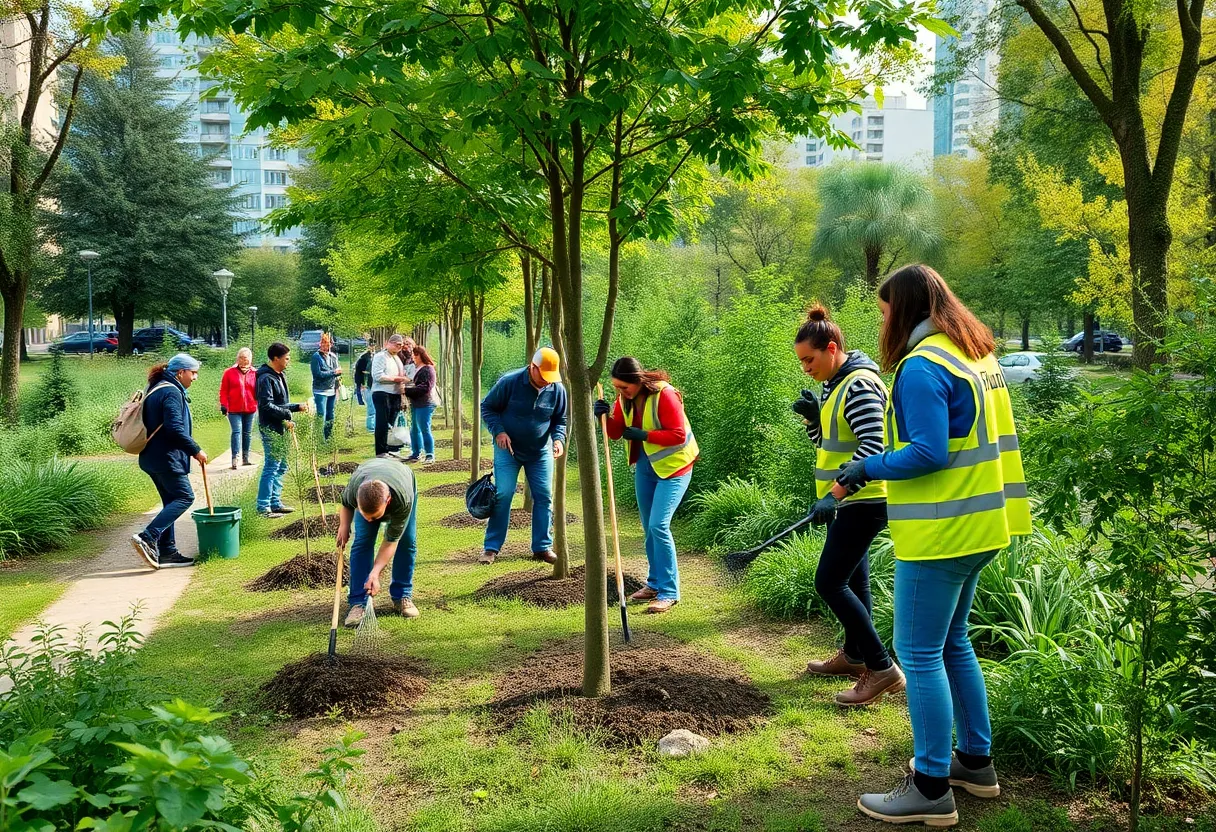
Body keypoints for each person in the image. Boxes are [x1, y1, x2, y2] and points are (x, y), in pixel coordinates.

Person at [840, 265, 1031, 827]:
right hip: (983, 525)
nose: (882, 321)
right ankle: (974, 762)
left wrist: (866, 466)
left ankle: (928, 787)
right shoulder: (978, 356)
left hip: (940, 533)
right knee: (954, 644)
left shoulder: (922, 367)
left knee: (920, 654)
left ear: (904, 308)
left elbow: (928, 453)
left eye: (883, 310)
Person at [793, 305, 905, 706]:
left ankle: (882, 668)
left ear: (832, 348)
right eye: (801, 361)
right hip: (847, 502)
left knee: (829, 582)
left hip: (865, 501)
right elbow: (831, 445)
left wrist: (834, 495)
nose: (806, 367)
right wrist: (813, 422)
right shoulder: (834, 382)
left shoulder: (858, 384)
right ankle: (856, 656)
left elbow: (875, 448)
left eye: (810, 359)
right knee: (855, 580)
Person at [593, 357, 697, 614]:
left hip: (675, 467)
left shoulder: (666, 395)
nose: (620, 392)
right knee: (648, 528)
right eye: (616, 387)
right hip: (646, 467)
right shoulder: (624, 399)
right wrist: (604, 417)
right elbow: (616, 432)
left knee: (658, 526)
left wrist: (644, 435)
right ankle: (653, 584)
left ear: (638, 381)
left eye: (624, 387)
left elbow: (678, 435)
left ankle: (669, 591)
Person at [479, 347, 567, 565]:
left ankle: (542, 547)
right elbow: (488, 407)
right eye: (544, 376)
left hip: (540, 452)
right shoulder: (509, 382)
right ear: (532, 367)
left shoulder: (557, 389)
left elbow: (560, 420)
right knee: (504, 494)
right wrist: (499, 431)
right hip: (508, 450)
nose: (547, 382)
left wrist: (558, 440)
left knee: (544, 496)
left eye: (551, 378)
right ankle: (491, 547)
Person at [130, 353, 206, 570]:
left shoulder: (157, 388)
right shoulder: (171, 392)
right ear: (180, 373)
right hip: (166, 459)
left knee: (170, 501)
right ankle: (148, 536)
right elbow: (174, 429)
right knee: (184, 497)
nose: (195, 378)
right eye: (193, 373)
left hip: (153, 458)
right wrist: (196, 450)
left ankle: (168, 551)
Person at [336, 457, 420, 626]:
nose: (369, 521)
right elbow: (346, 504)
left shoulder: (402, 500)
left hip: (403, 478)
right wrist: (344, 526)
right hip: (368, 472)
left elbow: (391, 541)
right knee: (362, 541)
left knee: (407, 541)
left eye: (373, 517)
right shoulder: (355, 488)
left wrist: (375, 573)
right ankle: (358, 602)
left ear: (387, 502)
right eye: (363, 514)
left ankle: (402, 595)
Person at [256, 342, 309, 519]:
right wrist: (287, 413)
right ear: (276, 358)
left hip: (281, 425)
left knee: (282, 465)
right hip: (270, 428)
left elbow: (279, 404)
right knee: (272, 465)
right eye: (286, 358)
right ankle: (263, 506)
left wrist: (295, 407)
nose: (289, 360)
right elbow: (266, 406)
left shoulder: (280, 375)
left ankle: (275, 502)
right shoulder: (265, 378)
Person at [219, 347, 258, 470]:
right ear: (237, 358)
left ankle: (245, 458)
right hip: (234, 409)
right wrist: (224, 404)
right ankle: (234, 458)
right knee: (237, 431)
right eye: (241, 358)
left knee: (247, 433)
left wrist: (259, 403)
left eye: (246, 358)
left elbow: (258, 391)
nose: (243, 360)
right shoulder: (229, 372)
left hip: (250, 408)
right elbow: (224, 390)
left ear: (250, 359)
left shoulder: (255, 373)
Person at [370, 334, 409, 457]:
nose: (399, 347)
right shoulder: (380, 357)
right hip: (382, 392)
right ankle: (381, 450)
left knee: (392, 421)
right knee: (382, 421)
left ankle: (392, 445)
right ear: (389, 343)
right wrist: (396, 379)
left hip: (395, 393)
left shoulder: (397, 358)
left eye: (400, 346)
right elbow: (378, 376)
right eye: (397, 345)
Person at [403, 344, 437, 464]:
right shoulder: (417, 368)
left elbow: (425, 387)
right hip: (416, 403)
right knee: (414, 429)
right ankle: (416, 453)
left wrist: (406, 390)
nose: (413, 358)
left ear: (419, 355)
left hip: (425, 404)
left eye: (414, 355)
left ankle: (429, 454)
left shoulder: (428, 369)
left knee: (424, 428)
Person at [310, 333, 343, 441]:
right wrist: (334, 372)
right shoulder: (316, 357)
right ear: (320, 344)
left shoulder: (333, 356)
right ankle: (320, 440)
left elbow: (338, 373)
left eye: (329, 344)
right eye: (324, 344)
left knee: (330, 415)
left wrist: (337, 388)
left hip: (332, 390)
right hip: (320, 391)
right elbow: (318, 374)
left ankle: (328, 438)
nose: (326, 347)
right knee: (321, 415)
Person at [354, 340, 376, 432]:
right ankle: (371, 426)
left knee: (375, 406)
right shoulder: (363, 358)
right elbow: (358, 373)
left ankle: (374, 425)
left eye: (374, 345)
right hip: (366, 385)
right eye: (371, 345)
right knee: (371, 406)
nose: (372, 347)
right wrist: (360, 385)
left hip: (375, 385)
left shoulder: (377, 356)